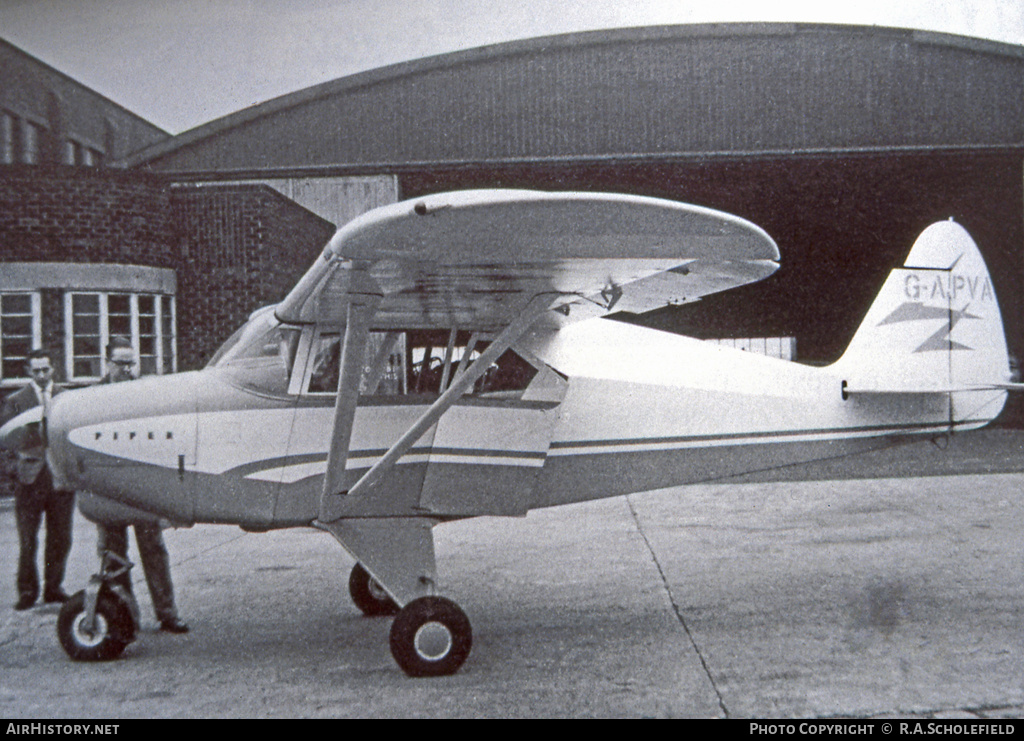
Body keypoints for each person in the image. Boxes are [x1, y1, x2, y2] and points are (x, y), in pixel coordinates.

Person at [93, 338, 189, 633]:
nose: (126, 369)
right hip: (108, 486)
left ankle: (167, 612)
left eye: (130, 363)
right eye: (120, 363)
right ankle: (125, 617)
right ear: (107, 363)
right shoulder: (91, 398)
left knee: (154, 549)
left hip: (141, 486)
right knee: (114, 554)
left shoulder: (142, 394)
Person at [1, 349, 75, 610]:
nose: (42, 375)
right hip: (29, 480)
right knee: (28, 539)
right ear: (28, 372)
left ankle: (54, 588)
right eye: (36, 371)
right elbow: (5, 440)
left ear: (53, 368)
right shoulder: (17, 400)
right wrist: (15, 471)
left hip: (60, 478)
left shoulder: (67, 397)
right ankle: (27, 592)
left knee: (61, 536)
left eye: (46, 369)